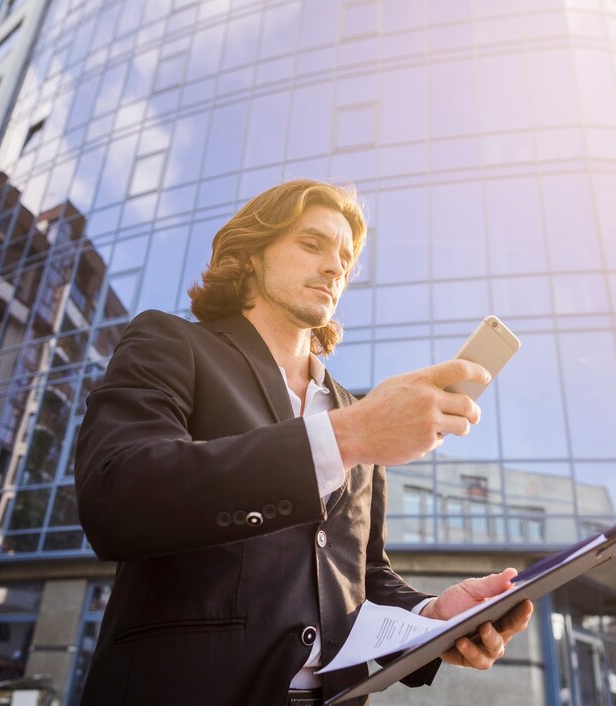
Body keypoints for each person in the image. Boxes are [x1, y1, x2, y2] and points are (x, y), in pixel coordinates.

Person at [75, 179, 533, 706]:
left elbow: (362, 575)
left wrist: (430, 617)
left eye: (345, 256)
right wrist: (350, 435)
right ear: (250, 255)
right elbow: (119, 496)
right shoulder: (171, 343)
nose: (336, 266)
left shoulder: (352, 407)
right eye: (312, 244)